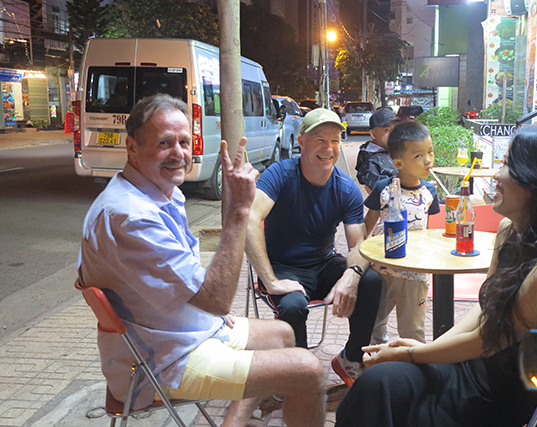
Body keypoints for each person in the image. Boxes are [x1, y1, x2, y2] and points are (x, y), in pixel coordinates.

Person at [336, 121, 537, 427]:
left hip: (495, 398)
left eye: (507, 165)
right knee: (376, 384)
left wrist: (415, 354)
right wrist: (424, 351)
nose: (495, 175)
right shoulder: (510, 233)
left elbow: (488, 341)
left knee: (381, 390)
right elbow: (484, 309)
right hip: (469, 365)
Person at [77, 94, 326, 427]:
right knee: (308, 371)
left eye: (183, 141)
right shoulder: (130, 216)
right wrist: (238, 211)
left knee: (282, 334)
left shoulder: (161, 193)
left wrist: (214, 313)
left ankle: (233, 422)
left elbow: (196, 290)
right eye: (164, 142)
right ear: (132, 147)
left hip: (177, 330)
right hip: (164, 359)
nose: (179, 153)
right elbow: (216, 299)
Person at [245, 107, 382, 387]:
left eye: (335, 140)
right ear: (301, 141)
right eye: (320, 139)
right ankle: (299, 375)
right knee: (294, 306)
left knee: (371, 279)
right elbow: (249, 220)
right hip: (283, 268)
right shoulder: (280, 174)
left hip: (322, 265)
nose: (328, 148)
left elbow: (359, 245)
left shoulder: (345, 188)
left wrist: (350, 277)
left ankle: (352, 358)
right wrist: (270, 280)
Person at [364, 121, 440, 343]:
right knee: (374, 325)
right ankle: (374, 366)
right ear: (398, 162)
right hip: (381, 270)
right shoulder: (383, 189)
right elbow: (367, 225)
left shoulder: (430, 190)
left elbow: (428, 230)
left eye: (430, 152)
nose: (428, 160)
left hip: (415, 274)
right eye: (418, 156)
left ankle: (414, 370)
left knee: (413, 329)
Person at [355, 107, 400, 192]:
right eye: (387, 130)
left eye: (395, 129)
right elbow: (385, 195)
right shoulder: (371, 163)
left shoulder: (393, 151)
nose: (393, 134)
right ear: (373, 134)